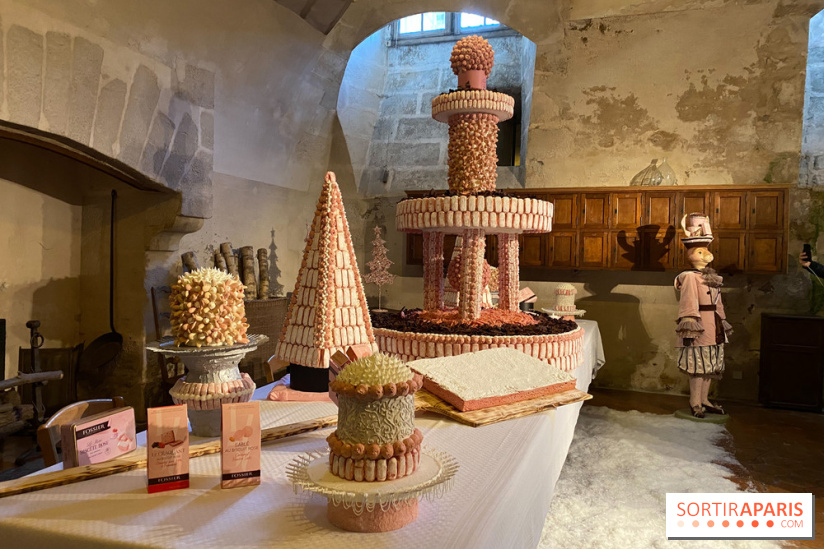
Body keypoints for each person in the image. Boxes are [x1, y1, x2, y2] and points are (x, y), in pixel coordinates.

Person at [675, 214, 732, 419]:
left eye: (706, 250)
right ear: (692, 254)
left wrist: (722, 322)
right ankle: (694, 402)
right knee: (698, 366)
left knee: (711, 366)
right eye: (701, 251)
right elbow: (689, 303)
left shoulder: (713, 277)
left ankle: (705, 400)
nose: (706, 254)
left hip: (714, 327)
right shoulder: (689, 277)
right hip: (699, 326)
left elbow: (718, 303)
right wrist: (689, 326)